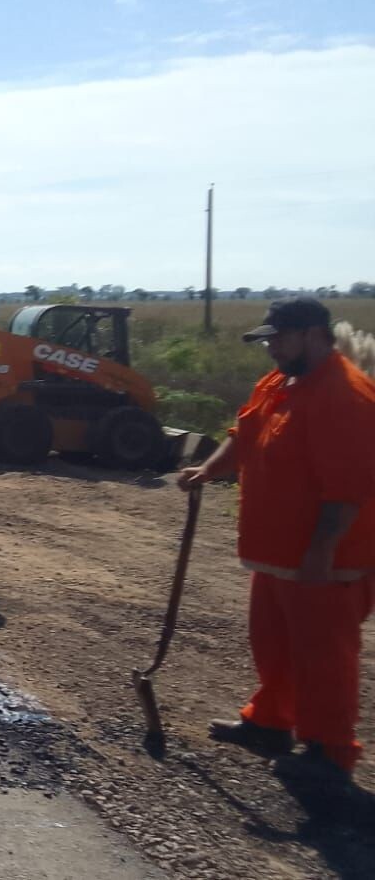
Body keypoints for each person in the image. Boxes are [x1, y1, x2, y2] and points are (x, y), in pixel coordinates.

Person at [180, 297, 375, 789]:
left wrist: (322, 552)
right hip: (275, 552)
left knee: (323, 653)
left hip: (324, 560)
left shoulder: (346, 395)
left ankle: (330, 750)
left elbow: (348, 488)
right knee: (274, 644)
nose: (270, 347)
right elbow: (244, 434)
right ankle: (270, 724)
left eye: (279, 338)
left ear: (313, 333)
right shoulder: (280, 382)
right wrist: (209, 469)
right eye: (267, 338)